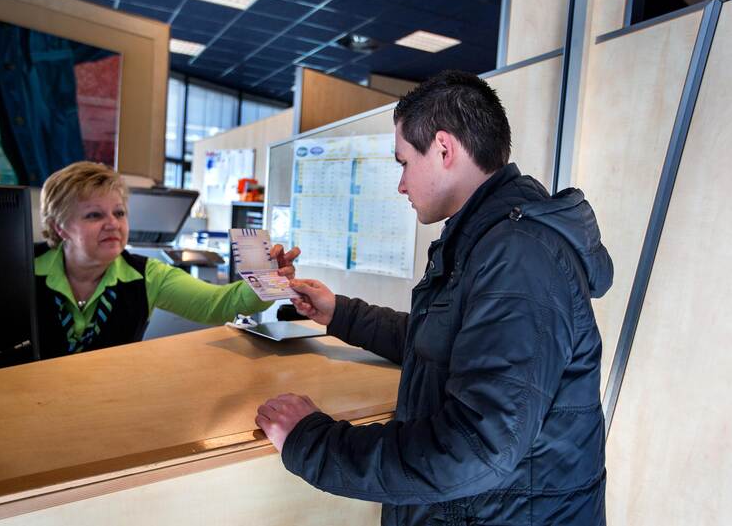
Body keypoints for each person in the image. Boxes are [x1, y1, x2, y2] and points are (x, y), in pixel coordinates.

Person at [255, 70, 613, 525]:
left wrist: (311, 442)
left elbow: (475, 449)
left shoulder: (519, 257)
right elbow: (445, 343)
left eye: (403, 162)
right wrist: (341, 313)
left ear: (444, 148)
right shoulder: (490, 239)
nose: (401, 185)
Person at [35, 161, 299, 358]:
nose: (113, 224)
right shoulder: (18, 269)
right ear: (60, 227)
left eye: (119, 212)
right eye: (94, 215)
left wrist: (266, 280)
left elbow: (217, 305)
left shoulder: (147, 275)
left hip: (109, 400)